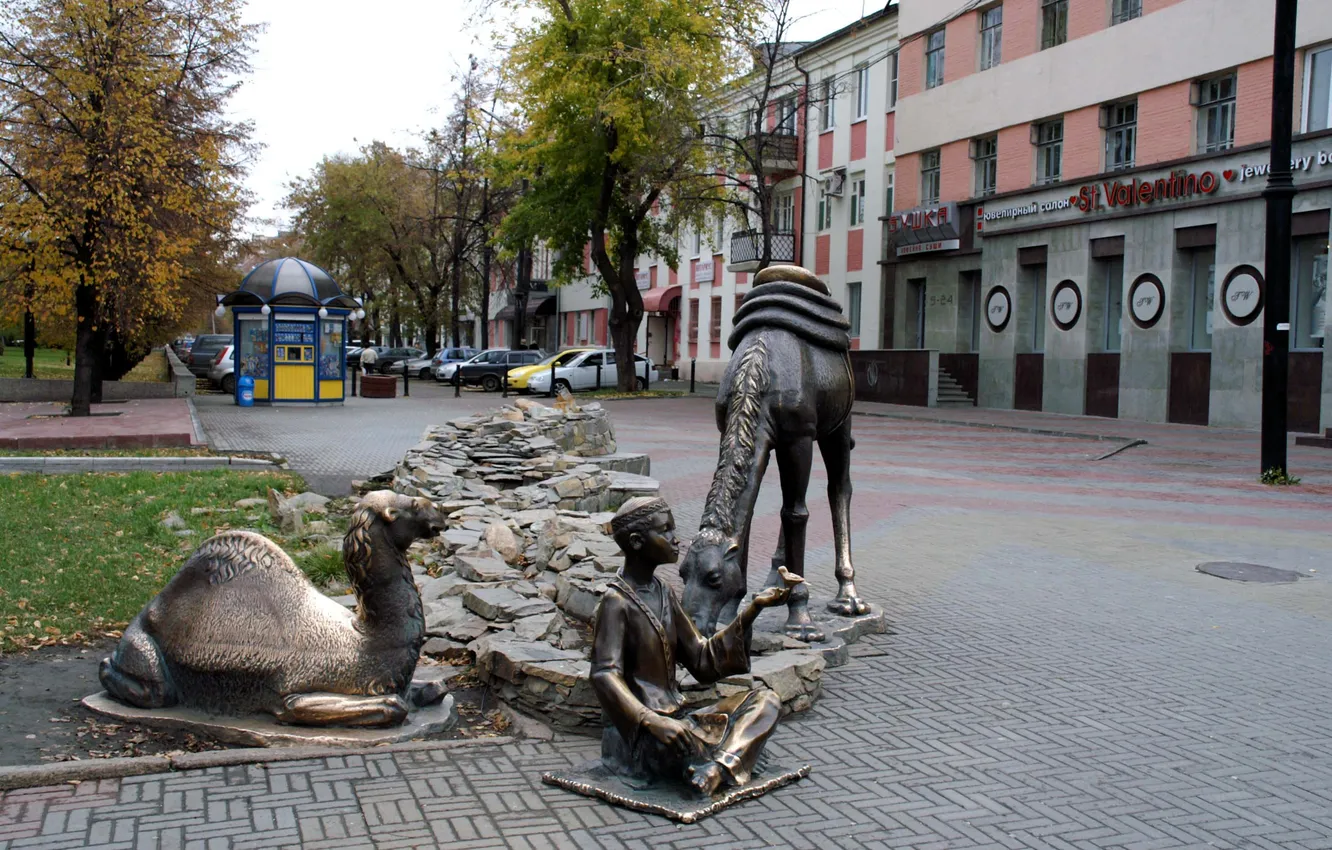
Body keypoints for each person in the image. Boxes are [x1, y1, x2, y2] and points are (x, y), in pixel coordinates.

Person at [591, 496, 801, 795]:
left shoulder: (662, 591)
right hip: (642, 735)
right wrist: (650, 721)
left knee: (766, 701)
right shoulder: (616, 602)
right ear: (637, 541)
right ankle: (724, 761)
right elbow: (603, 674)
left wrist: (754, 608)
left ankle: (715, 767)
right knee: (692, 743)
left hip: (679, 719)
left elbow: (703, 657)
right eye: (665, 531)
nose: (676, 540)